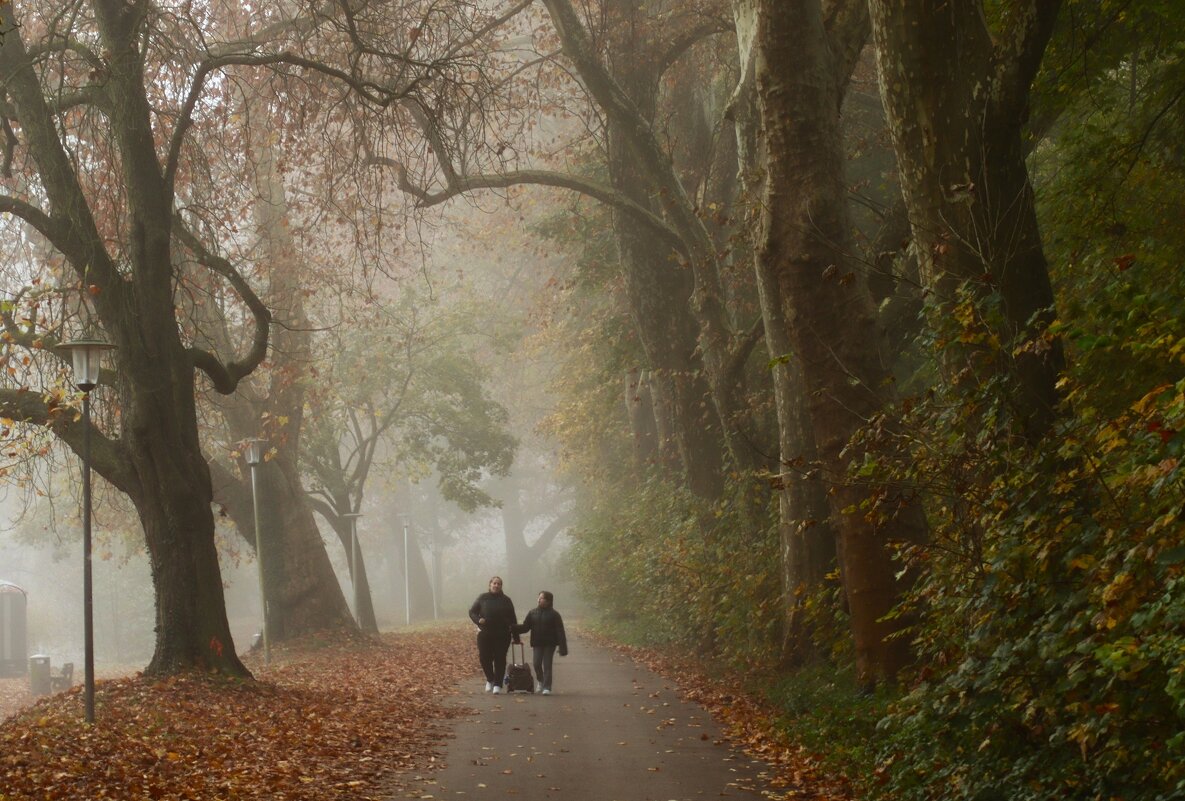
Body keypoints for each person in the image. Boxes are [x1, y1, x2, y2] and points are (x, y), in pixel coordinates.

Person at [468, 576, 518, 694]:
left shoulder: (506, 600)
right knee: (484, 658)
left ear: (501, 586)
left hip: (502, 634)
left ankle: (498, 684)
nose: (496, 585)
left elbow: (513, 618)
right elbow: (472, 612)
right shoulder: (482, 598)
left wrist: (516, 636)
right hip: (485, 633)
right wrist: (478, 620)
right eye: (494, 583)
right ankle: (490, 679)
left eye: (499, 584)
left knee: (500, 658)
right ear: (490, 584)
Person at [514, 590, 568, 695]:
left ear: (548, 601)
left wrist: (563, 647)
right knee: (536, 664)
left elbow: (560, 632)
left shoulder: (554, 615)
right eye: (538, 597)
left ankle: (547, 687)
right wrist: (513, 627)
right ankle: (540, 681)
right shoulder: (532, 613)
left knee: (547, 665)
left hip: (550, 644)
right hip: (537, 643)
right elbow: (525, 627)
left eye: (542, 598)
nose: (539, 599)